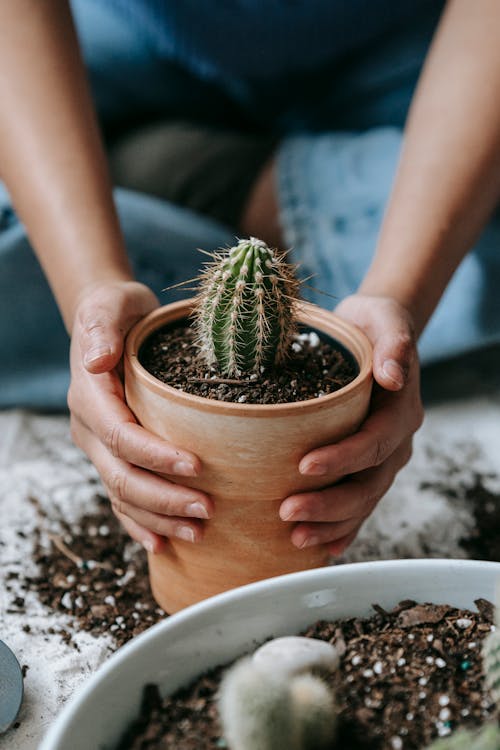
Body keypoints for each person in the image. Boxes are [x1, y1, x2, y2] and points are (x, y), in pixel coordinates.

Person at [1, 0, 499, 557]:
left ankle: (216, 183)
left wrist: (398, 294)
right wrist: (91, 285)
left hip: (412, 61)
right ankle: (294, 200)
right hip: (122, 37)